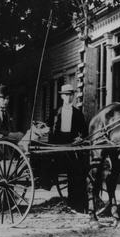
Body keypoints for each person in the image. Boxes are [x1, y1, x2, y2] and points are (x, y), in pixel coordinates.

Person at [47, 84, 89, 213]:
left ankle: (76, 204)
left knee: (76, 172)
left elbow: (84, 131)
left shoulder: (77, 113)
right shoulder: (55, 112)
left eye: (71, 95)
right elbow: (48, 129)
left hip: (72, 144)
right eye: (66, 95)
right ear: (62, 96)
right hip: (58, 144)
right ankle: (47, 179)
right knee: (51, 167)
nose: (69, 98)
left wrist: (79, 138)